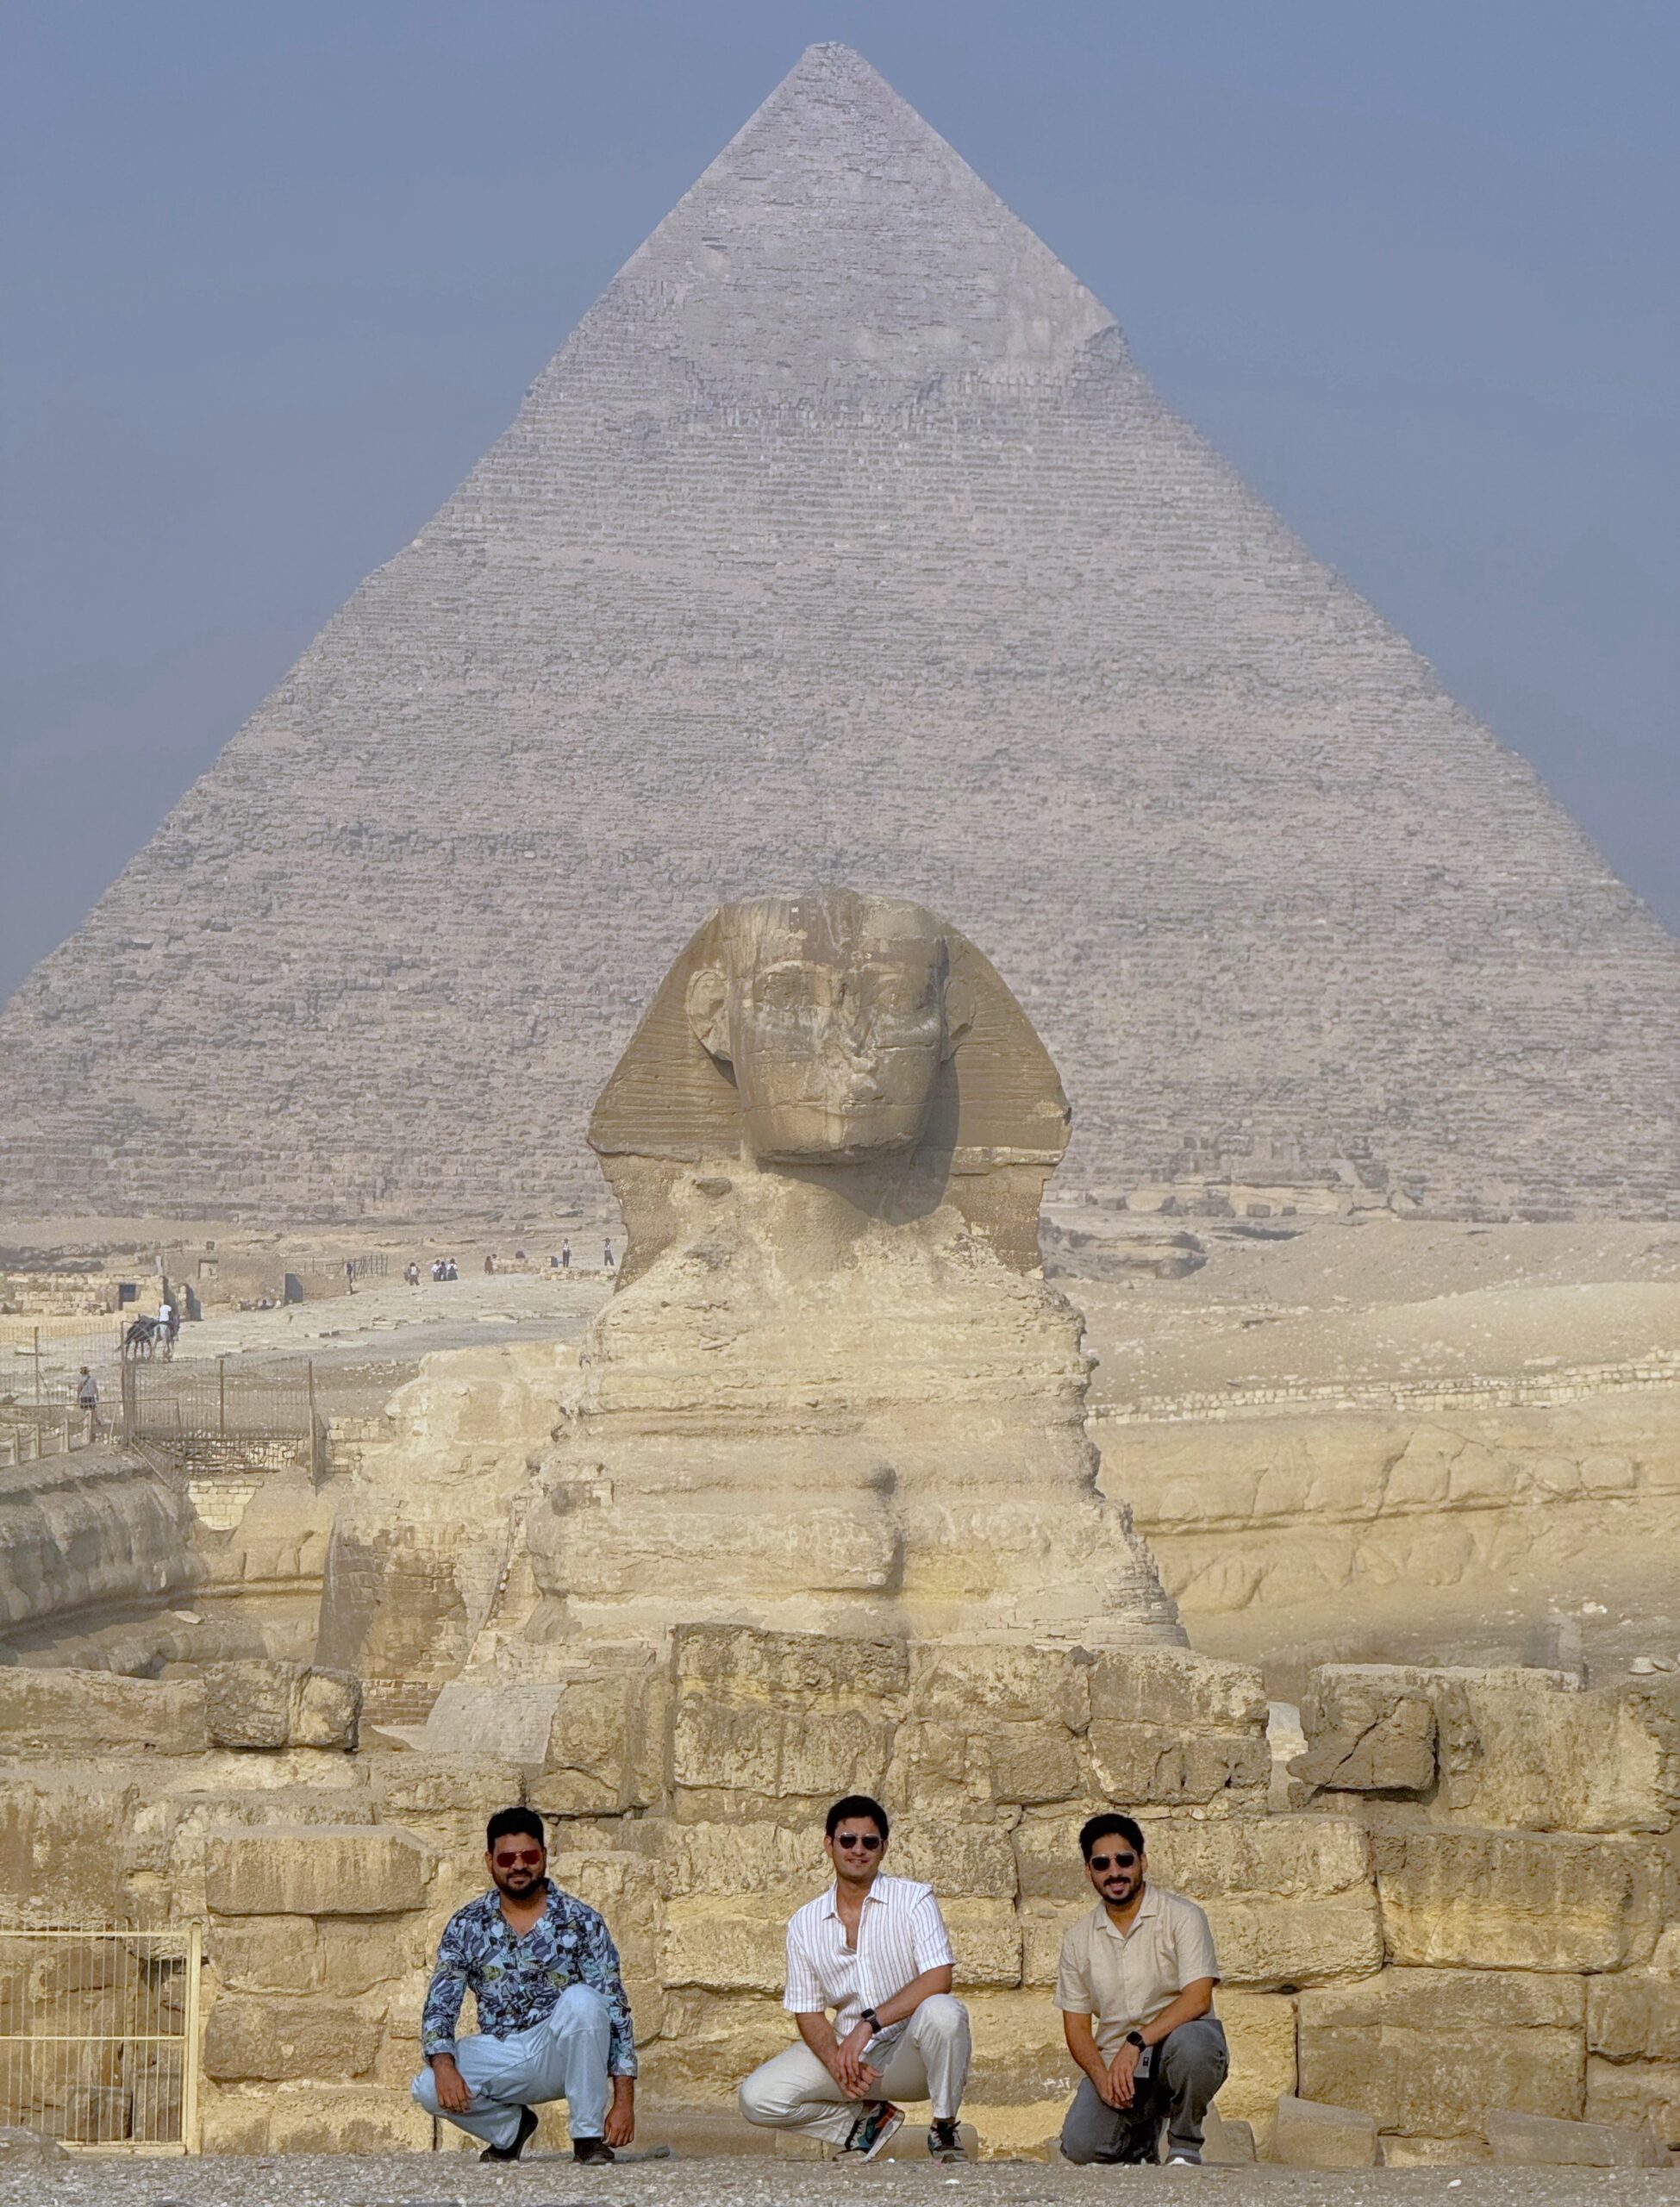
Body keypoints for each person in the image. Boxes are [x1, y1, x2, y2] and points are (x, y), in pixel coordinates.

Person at [738, 1794, 971, 2161]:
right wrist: (834, 2060)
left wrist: (870, 2024)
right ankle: (865, 2123)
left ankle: (943, 2127)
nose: (858, 1849)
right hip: (852, 2056)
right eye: (848, 1840)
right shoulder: (804, 1923)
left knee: (945, 2012)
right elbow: (808, 2010)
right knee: (758, 2098)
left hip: (909, 2054)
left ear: (884, 1848)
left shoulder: (914, 1899)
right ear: (829, 1844)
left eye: (869, 1842)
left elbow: (939, 1977)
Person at [414, 1806, 636, 2164]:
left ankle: (588, 2138)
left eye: (529, 1856)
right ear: (490, 1861)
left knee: (584, 2001)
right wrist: (444, 2067)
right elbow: (441, 2004)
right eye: (507, 1858)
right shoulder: (466, 1924)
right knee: (426, 2087)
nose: (519, 1866)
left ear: (544, 1857)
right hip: (502, 2053)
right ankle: (511, 2129)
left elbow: (615, 2009)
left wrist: (624, 2102)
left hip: (561, 2052)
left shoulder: (582, 1921)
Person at [1055, 1812, 1227, 2167]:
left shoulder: (1183, 1917)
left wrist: (1137, 2042)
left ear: (1143, 1862)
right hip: (1119, 2065)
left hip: (1173, 2049)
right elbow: (1075, 2028)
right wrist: (1102, 2080)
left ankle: (1184, 2146)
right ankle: (1141, 2142)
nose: (1114, 1872)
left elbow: (1198, 1999)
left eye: (1124, 1860)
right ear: (1089, 1872)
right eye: (1101, 1863)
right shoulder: (1077, 1940)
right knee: (1081, 2147)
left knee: (1195, 2047)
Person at [76, 1366, 98, 1439]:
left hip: (83, 1398)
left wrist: (77, 1398)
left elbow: (79, 1389)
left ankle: (85, 1431)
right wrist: (97, 1396)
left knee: (85, 1414)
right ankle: (91, 1431)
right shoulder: (92, 1379)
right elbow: (95, 1388)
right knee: (92, 1413)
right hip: (91, 1397)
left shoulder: (80, 1380)